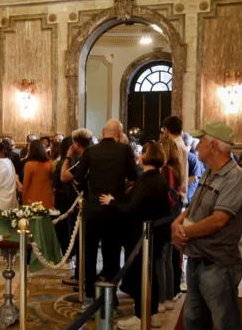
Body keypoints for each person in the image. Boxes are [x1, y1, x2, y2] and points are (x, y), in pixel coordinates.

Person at [171, 122, 242, 330]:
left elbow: (219, 219)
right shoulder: (209, 172)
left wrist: (183, 233)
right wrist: (176, 224)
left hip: (218, 266)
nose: (197, 146)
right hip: (196, 261)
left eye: (201, 142)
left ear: (213, 145)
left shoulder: (236, 177)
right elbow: (194, 205)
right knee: (194, 321)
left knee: (226, 323)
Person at [61, 119, 138, 310]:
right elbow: (134, 176)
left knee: (89, 253)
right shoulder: (124, 150)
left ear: (103, 131)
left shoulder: (91, 151)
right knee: (111, 255)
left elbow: (77, 180)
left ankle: (88, 295)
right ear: (120, 134)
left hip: (93, 209)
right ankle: (111, 297)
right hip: (113, 208)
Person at [100, 141, 171, 329]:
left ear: (147, 156)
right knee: (152, 275)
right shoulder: (159, 178)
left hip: (141, 236)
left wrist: (112, 201)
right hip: (156, 234)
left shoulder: (145, 179)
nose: (139, 156)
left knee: (140, 276)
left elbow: (131, 208)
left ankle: (141, 316)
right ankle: (153, 313)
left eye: (142, 153)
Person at [56, 130, 93, 286]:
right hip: (90, 203)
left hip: (83, 205)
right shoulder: (93, 156)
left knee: (81, 242)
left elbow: (63, 176)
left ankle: (80, 277)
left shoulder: (82, 160)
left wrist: (68, 156)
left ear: (76, 144)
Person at [156, 138, 183, 313]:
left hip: (164, 219)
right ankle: (168, 297)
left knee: (161, 261)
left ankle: (160, 300)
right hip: (172, 219)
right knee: (167, 261)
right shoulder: (176, 170)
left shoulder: (165, 171)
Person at [161, 116, 189, 204]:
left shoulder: (175, 146)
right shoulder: (180, 144)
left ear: (167, 129)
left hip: (174, 193)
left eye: (163, 129)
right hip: (179, 191)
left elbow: (176, 171)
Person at [22, 139, 54, 209]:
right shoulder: (50, 163)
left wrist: (23, 198)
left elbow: (26, 184)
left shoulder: (29, 165)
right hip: (48, 196)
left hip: (33, 197)